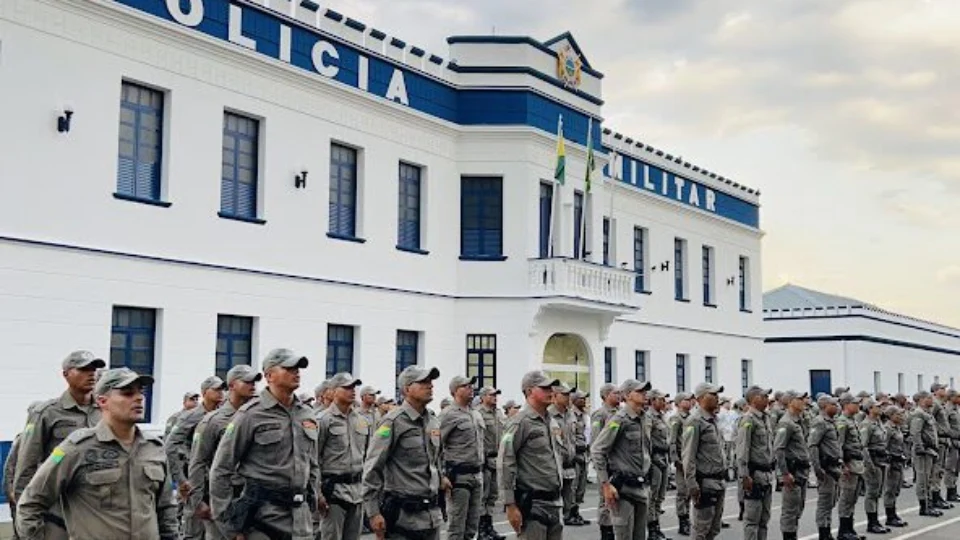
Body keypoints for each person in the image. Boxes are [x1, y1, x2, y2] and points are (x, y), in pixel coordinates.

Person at [17, 367, 178, 538]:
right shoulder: (76, 448)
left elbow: (166, 509)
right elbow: (31, 503)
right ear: (102, 401)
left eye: (141, 392)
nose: (139, 398)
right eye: (127, 393)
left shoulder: (154, 449)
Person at [209, 348, 320, 539]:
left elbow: (313, 464)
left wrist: (314, 503)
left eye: (298, 368)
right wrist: (230, 524)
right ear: (269, 375)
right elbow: (221, 469)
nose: (296, 372)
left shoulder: (307, 414)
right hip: (261, 520)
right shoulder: (250, 414)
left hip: (300, 520)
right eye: (289, 368)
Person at [13, 350, 105, 540]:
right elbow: (27, 462)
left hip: (95, 505)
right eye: (84, 369)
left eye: (94, 369)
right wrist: (26, 513)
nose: (91, 374)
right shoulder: (47, 413)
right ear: (66, 374)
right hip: (57, 506)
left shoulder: (105, 410)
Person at [363, 365, 445, 540]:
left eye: (430, 381)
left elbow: (436, 459)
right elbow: (373, 466)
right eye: (423, 382)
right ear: (407, 389)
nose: (430, 385)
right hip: (403, 518)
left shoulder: (433, 421)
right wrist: (373, 512)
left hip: (431, 516)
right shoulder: (392, 422)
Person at [187, 365, 261, 539]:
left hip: (252, 499)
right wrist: (198, 501)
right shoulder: (213, 421)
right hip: (222, 497)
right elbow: (198, 461)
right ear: (233, 385)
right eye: (247, 381)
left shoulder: (257, 417)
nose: (253, 385)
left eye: (254, 382)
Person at [498, 371, 564, 540]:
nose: (551, 391)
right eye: (544, 388)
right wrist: (510, 504)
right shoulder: (519, 422)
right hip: (533, 505)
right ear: (528, 391)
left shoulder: (552, 421)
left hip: (555, 502)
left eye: (551, 387)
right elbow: (506, 461)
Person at [164, 375, 227, 539]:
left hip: (218, 480)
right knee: (194, 530)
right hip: (196, 479)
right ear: (205, 392)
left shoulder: (224, 415)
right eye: (216, 389)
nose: (221, 393)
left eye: (222, 389)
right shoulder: (192, 416)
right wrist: (180, 480)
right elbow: (170, 446)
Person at [591, 378, 653, 540]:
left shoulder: (644, 418)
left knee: (640, 536)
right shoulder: (619, 419)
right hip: (623, 489)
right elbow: (597, 450)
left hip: (641, 487)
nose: (644, 394)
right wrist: (605, 484)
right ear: (627, 395)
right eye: (639, 391)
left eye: (644, 391)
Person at [316, 372, 370, 540]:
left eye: (354, 387)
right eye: (346, 387)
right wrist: (317, 493)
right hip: (334, 492)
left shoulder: (361, 420)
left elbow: (367, 455)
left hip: (357, 491)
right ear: (333, 391)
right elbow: (312, 458)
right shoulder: (323, 420)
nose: (352, 391)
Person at [439, 376, 486, 540]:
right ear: (454, 391)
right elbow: (435, 445)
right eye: (465, 386)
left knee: (472, 527)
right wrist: (441, 475)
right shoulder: (448, 415)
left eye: (471, 385)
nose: (470, 388)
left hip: (477, 475)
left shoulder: (475, 414)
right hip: (459, 477)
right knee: (456, 527)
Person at [682, 382, 726, 540]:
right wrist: (692, 484)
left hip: (718, 481)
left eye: (717, 394)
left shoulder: (713, 420)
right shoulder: (695, 421)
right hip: (705, 483)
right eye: (713, 394)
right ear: (700, 398)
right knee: (701, 529)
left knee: (713, 529)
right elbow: (688, 455)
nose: (717, 398)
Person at [738, 386, 774, 540]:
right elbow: (742, 450)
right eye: (763, 396)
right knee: (752, 519)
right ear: (753, 400)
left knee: (764, 518)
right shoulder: (748, 420)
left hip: (766, 474)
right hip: (754, 474)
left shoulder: (765, 418)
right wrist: (744, 476)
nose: (767, 399)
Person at [774, 390, 811, 540]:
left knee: (798, 509)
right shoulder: (786, 422)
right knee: (790, 511)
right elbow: (779, 449)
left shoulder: (799, 421)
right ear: (790, 402)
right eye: (800, 399)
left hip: (801, 472)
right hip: (792, 473)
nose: (804, 401)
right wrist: (784, 473)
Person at [809, 393, 843, 540]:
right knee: (824, 503)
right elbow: (813, 445)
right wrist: (817, 468)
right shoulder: (820, 422)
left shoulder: (831, 422)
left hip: (834, 467)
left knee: (831, 501)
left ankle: (827, 531)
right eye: (833, 405)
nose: (836, 407)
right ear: (824, 406)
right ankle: (823, 533)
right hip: (826, 468)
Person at [476, 386, 507, 540]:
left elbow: (505, 434)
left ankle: (489, 527)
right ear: (483, 397)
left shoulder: (499, 413)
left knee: (493, 496)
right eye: (492, 395)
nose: (495, 397)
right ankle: (481, 529)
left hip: (497, 459)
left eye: (496, 395)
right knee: (483, 495)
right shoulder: (478, 414)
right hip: (485, 460)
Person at [592, 383, 622, 540]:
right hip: (606, 465)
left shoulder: (620, 413)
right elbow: (597, 441)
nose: (619, 395)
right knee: (605, 501)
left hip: (618, 464)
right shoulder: (600, 414)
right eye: (615, 393)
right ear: (606, 395)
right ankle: (606, 532)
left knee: (617, 501)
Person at [835, 393, 867, 540]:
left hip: (857, 463)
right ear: (846, 404)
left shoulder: (852, 421)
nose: (858, 405)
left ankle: (850, 529)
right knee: (846, 498)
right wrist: (843, 465)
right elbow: (839, 445)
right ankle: (843, 531)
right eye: (855, 403)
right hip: (849, 464)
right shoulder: (842, 422)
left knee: (853, 498)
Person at [547, 384, 579, 526]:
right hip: (555, 466)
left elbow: (574, 436)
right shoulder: (548, 414)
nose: (568, 397)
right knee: (553, 504)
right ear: (554, 396)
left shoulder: (570, 413)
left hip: (570, 464)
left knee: (568, 499)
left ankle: (566, 517)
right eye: (564, 394)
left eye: (569, 394)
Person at [860, 398, 890, 533]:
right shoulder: (866, 425)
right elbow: (863, 446)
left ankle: (876, 520)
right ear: (870, 409)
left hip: (881, 461)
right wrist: (869, 465)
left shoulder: (878, 423)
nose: (880, 408)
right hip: (873, 461)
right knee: (871, 492)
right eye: (877, 406)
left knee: (877, 492)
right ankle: (871, 522)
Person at [911, 390, 943, 517]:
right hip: (923, 451)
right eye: (929, 398)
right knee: (923, 479)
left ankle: (928, 504)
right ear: (921, 400)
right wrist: (920, 448)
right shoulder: (918, 414)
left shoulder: (927, 413)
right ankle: (924, 506)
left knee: (928, 478)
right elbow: (916, 432)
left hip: (930, 450)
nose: (932, 400)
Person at [646, 389, 672, 540]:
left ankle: (657, 527)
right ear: (652, 400)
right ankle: (652, 529)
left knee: (660, 496)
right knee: (653, 496)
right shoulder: (649, 417)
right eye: (661, 399)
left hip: (664, 459)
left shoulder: (662, 417)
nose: (664, 402)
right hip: (655, 460)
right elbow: (647, 441)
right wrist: (652, 459)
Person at [668, 392, 694, 536]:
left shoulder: (692, 417)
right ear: (678, 403)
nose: (689, 402)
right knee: (682, 492)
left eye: (690, 400)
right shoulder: (676, 418)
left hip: (691, 459)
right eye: (686, 400)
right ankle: (682, 521)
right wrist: (675, 459)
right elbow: (672, 440)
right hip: (681, 459)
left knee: (690, 491)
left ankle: (687, 518)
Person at [882, 406, 909, 528]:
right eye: (898, 414)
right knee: (890, 489)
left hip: (898, 461)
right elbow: (884, 447)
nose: (901, 417)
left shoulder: (897, 428)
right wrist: (891, 458)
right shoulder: (888, 429)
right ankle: (890, 515)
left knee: (896, 489)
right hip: (891, 462)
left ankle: (893, 512)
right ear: (891, 416)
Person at [570, 389, 592, 527]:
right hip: (575, 454)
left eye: (585, 398)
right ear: (574, 400)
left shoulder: (585, 415)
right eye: (581, 398)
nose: (584, 401)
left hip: (584, 454)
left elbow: (588, 434)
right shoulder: (570, 416)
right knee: (573, 486)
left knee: (581, 487)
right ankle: (570, 513)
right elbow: (568, 436)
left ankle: (576, 512)